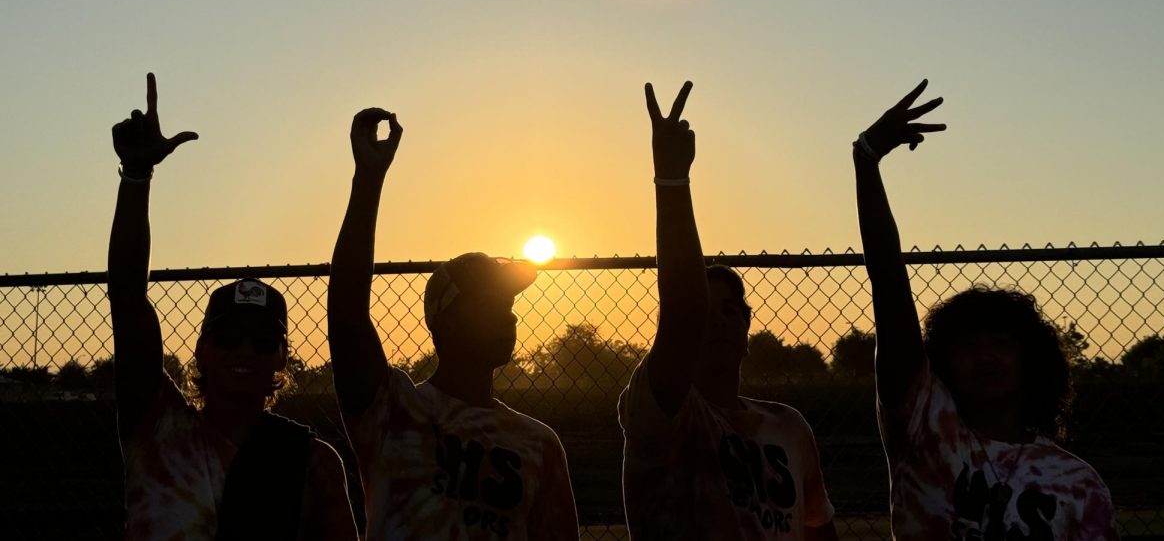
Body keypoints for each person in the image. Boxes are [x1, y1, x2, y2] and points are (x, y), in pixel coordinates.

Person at [854, 79, 1118, 540]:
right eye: (969, 346)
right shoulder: (924, 429)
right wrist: (866, 159)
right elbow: (890, 287)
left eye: (1000, 343)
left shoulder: (1078, 484)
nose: (985, 356)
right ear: (943, 362)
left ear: (1030, 359)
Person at [107, 73, 357, 541]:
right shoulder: (156, 425)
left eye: (263, 341)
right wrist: (137, 177)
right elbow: (127, 298)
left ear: (282, 358)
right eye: (227, 336)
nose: (244, 350)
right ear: (201, 349)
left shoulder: (312, 463)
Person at [327, 107, 578, 540]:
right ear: (444, 322)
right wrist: (368, 180)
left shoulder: (538, 444)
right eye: (489, 302)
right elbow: (348, 316)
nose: (508, 313)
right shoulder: (395, 411)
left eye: (508, 301)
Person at [619, 81, 838, 540]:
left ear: (747, 325)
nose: (716, 320)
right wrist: (672, 180)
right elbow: (682, 314)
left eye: (730, 310)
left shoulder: (788, 426)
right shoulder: (666, 410)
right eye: (706, 310)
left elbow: (818, 527)